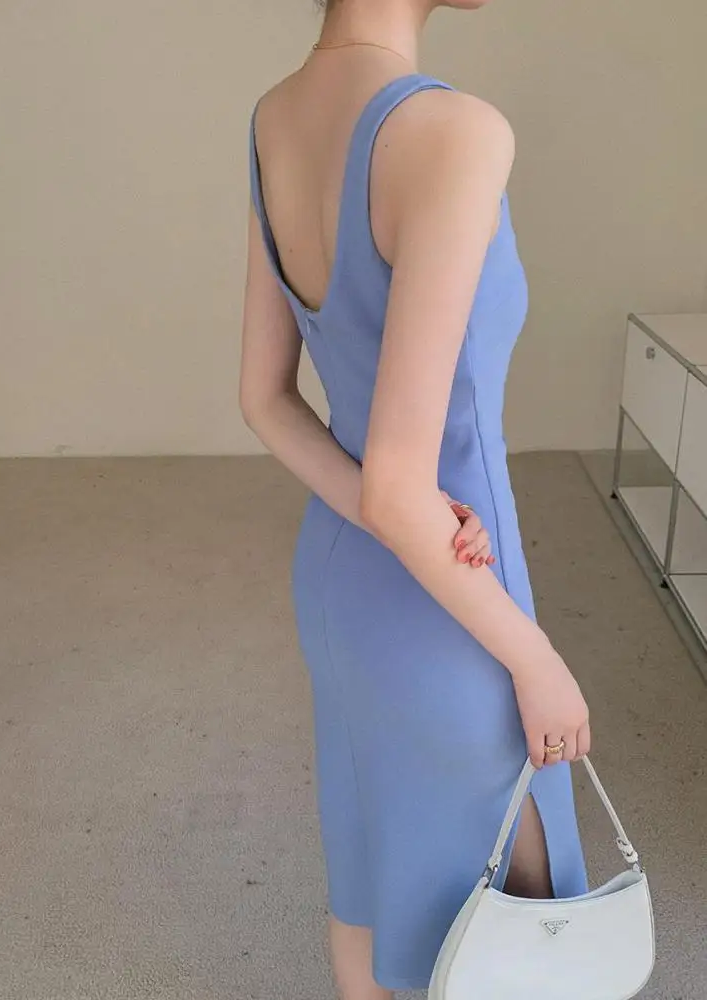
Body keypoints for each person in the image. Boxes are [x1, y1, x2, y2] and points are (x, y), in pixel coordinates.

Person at [239, 0, 591, 995]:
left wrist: (384, 507)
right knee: (514, 928)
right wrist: (537, 658)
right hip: (456, 605)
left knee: (371, 881)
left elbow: (263, 400)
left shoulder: (275, 116)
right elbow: (404, 486)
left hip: (343, 582)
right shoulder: (454, 131)